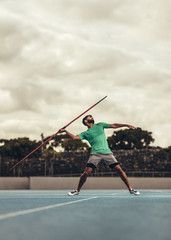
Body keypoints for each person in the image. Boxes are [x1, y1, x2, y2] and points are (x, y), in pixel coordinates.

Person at [59, 115, 140, 196]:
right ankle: (77, 190)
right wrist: (65, 131)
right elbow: (74, 138)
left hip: (107, 152)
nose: (92, 117)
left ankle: (131, 189)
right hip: (95, 154)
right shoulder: (85, 133)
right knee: (86, 172)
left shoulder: (100, 125)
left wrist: (125, 125)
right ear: (85, 122)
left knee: (119, 169)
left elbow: (114, 125)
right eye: (89, 117)